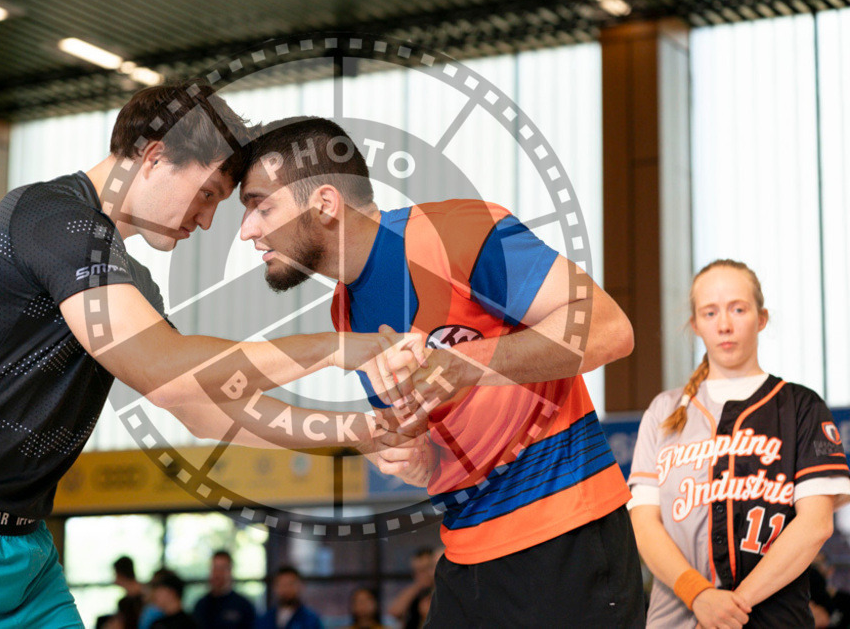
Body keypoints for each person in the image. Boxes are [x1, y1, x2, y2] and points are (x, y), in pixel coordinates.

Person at [0, 84, 423, 628]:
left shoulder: (127, 276)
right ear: (155, 156)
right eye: (210, 194)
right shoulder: (49, 216)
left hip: (24, 556)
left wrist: (359, 429)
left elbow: (203, 409)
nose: (209, 219)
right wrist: (334, 348)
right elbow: (166, 371)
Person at [237, 117, 643, 627]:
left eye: (262, 206)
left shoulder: (456, 233)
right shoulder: (343, 313)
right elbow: (432, 453)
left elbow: (609, 329)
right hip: (467, 552)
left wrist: (469, 364)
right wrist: (412, 459)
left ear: (324, 203)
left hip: (566, 536)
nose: (248, 230)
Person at [628, 259, 850, 628]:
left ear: (761, 318)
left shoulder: (800, 406)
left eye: (738, 309)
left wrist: (732, 606)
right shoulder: (663, 411)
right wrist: (698, 595)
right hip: (678, 618)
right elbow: (644, 523)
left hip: (773, 618)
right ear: (696, 324)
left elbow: (816, 524)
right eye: (710, 312)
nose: (725, 325)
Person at [193, 550, 256, 629]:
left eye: (223, 568)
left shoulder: (244, 606)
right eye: (215, 568)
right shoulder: (200, 605)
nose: (218, 574)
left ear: (230, 571)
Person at [256, 566, 323, 629]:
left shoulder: (311, 620)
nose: (286, 589)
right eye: (282, 585)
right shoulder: (265, 619)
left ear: (301, 586)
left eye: (290, 584)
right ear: (274, 587)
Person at [385, 547, 435, 629]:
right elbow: (394, 612)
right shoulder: (415, 592)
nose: (421, 575)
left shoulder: (441, 591)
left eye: (424, 569)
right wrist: (418, 585)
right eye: (416, 571)